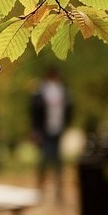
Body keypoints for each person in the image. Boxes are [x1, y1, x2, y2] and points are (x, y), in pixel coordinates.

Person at [30, 67, 72, 204]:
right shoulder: (41, 92)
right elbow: (35, 111)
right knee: (44, 161)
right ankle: (39, 192)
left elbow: (69, 109)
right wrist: (36, 130)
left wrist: (66, 125)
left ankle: (59, 194)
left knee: (57, 163)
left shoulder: (63, 92)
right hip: (45, 131)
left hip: (57, 130)